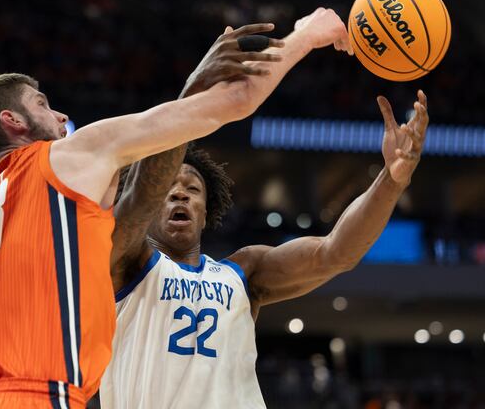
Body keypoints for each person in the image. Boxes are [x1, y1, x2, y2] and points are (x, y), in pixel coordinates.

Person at [0, 7, 350, 408]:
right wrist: (306, 35)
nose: (60, 114)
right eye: (41, 103)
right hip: (40, 396)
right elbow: (237, 100)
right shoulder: (66, 157)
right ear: (12, 121)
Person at [100, 22, 430, 409]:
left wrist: (390, 181)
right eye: (168, 189)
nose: (179, 195)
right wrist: (193, 91)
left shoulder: (244, 272)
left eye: (192, 190)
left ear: (207, 213)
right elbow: (142, 192)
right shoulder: (122, 260)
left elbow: (336, 253)